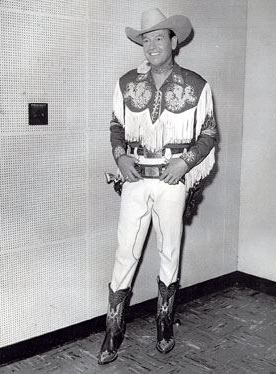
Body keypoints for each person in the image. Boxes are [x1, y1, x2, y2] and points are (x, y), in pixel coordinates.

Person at [98, 8, 217, 365]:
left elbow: (209, 133)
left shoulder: (197, 86)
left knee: (170, 249)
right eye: (145, 39)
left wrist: (185, 162)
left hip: (173, 179)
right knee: (126, 250)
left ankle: (164, 321)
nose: (151, 45)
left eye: (158, 38)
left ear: (173, 42)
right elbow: (116, 126)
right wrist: (121, 158)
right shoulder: (125, 84)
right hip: (135, 178)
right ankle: (113, 327)